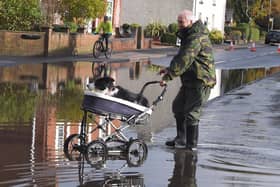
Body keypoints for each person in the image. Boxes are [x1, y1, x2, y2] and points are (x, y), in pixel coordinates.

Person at [160, 10, 216, 150]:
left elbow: (185, 58)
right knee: (178, 106)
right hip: (190, 80)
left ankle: (191, 146)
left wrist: (169, 76)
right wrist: (169, 69)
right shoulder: (189, 35)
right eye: (178, 21)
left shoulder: (196, 37)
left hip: (201, 80)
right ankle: (181, 138)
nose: (179, 25)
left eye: (181, 22)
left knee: (192, 113)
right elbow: (182, 58)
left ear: (190, 22)